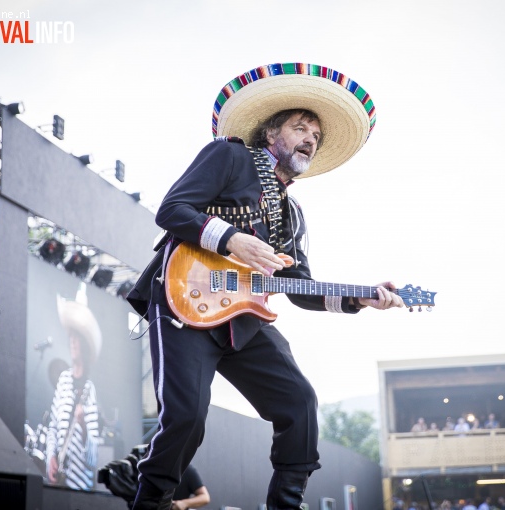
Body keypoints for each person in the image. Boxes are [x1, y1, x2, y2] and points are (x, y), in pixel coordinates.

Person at [125, 62, 405, 510]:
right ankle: (151, 503)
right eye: (301, 127)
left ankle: (285, 505)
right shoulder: (228, 157)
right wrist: (234, 239)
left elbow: (300, 288)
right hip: (183, 301)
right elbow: (172, 210)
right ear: (272, 133)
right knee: (187, 418)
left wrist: (361, 297)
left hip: (244, 320)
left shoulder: (293, 216)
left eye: (316, 134)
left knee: (300, 403)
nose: (311, 138)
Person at [46, 283, 101, 490]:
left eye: (77, 337)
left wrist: (84, 424)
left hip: (79, 484)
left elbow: (93, 455)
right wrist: (51, 457)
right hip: (58, 478)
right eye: (71, 336)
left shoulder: (89, 389)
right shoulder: (63, 381)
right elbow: (53, 426)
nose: (73, 342)